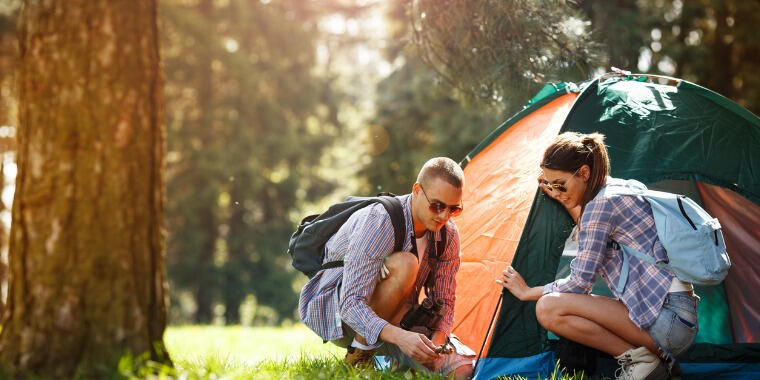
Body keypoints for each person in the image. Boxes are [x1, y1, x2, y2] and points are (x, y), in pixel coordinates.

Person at [499, 132, 699, 380]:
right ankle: (660, 361)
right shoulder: (616, 189)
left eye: (560, 184)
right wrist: (563, 194)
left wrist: (528, 292)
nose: (556, 191)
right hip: (676, 317)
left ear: (583, 173)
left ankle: (642, 362)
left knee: (548, 307)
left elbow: (580, 283)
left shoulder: (600, 206)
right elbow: (591, 228)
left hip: (667, 320)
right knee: (555, 305)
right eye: (550, 185)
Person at [299, 157, 474, 378]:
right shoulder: (380, 221)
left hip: (400, 319)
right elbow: (351, 304)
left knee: (462, 371)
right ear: (417, 190)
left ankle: (387, 362)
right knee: (406, 264)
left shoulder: (448, 235)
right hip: (342, 317)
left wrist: (437, 343)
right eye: (437, 205)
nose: (444, 216)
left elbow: (446, 299)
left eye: (454, 209)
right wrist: (401, 337)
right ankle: (359, 355)